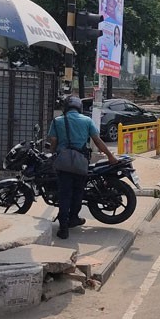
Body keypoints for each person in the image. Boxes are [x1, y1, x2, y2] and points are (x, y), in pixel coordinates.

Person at [48, 95, 117, 239]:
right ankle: (74, 218)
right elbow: (97, 141)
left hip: (64, 163)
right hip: (81, 162)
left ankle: (63, 228)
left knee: (64, 195)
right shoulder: (87, 121)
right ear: (79, 107)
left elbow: (53, 143)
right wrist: (110, 156)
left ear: (65, 107)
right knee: (78, 192)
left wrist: (53, 153)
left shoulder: (57, 121)